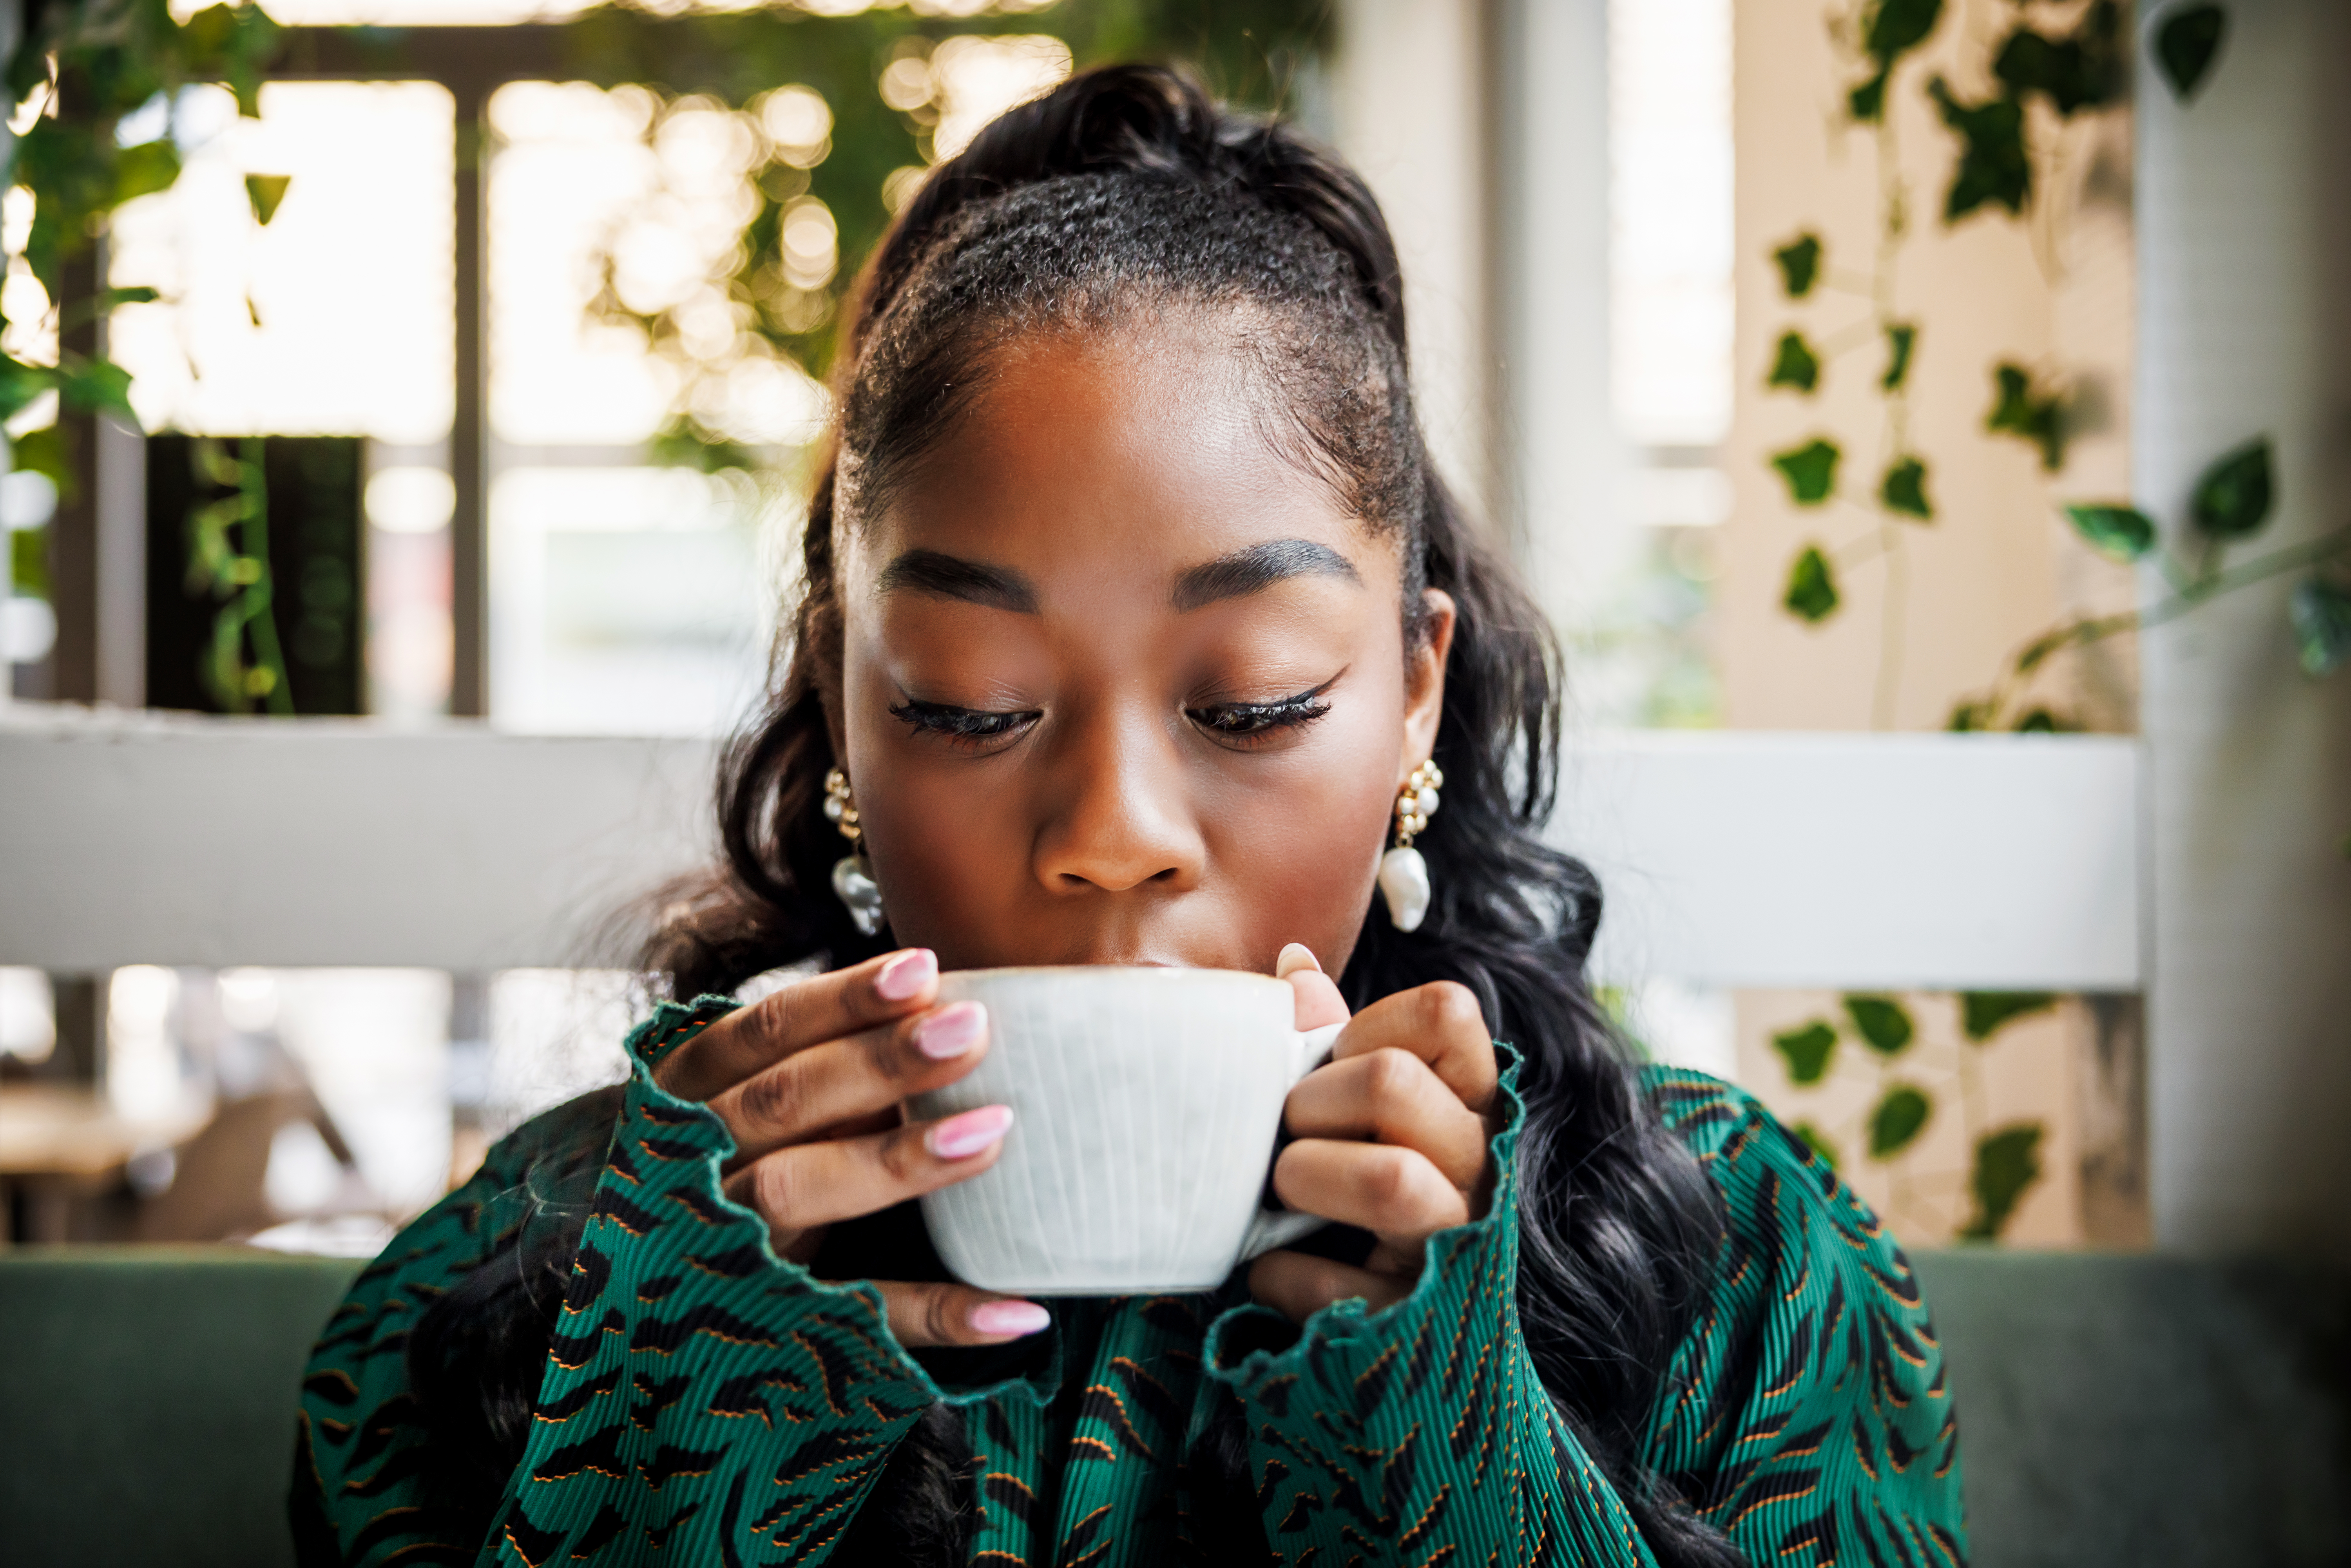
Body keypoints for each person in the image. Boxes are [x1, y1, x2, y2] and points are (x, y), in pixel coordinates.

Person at [293, 65, 1964, 1568]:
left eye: (1250, 704)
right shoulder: (532, 1277)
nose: (1114, 829)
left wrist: (1445, 1441)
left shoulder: (1731, 1257)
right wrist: (676, 1429)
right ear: (844, 709)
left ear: (1416, 692)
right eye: (969, 700)